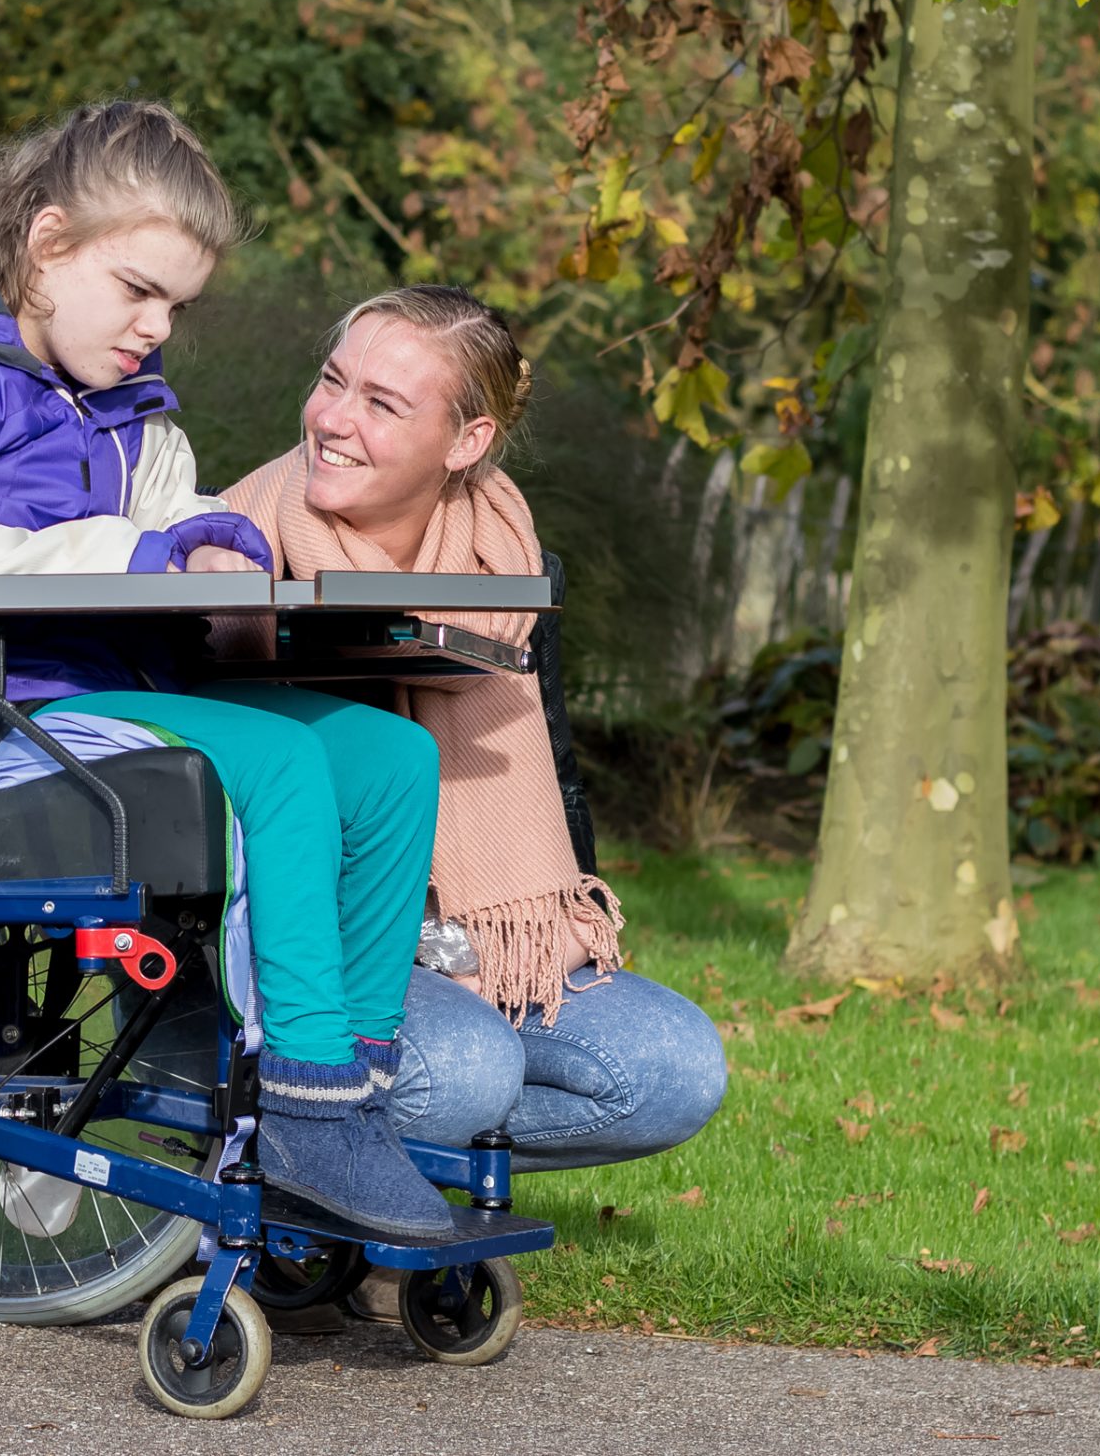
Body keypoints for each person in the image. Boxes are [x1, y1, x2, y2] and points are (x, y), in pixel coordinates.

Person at [0, 99, 455, 1237]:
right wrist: (138, 550)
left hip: (123, 686)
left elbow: (169, 508)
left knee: (391, 755)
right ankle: (304, 1104)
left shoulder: (112, 381)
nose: (157, 326)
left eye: (176, 305)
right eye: (139, 290)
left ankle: (356, 1089)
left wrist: (214, 535)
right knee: (281, 766)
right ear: (49, 243)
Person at [218, 286, 727, 1189]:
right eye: (333, 381)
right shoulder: (238, 551)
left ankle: (362, 1173)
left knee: (675, 1071)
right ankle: (301, 1158)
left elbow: (554, 771)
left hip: (483, 938)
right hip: (309, 953)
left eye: (383, 404)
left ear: (468, 442)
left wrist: (505, 939)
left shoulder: (507, 562)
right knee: (466, 1072)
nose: (334, 420)